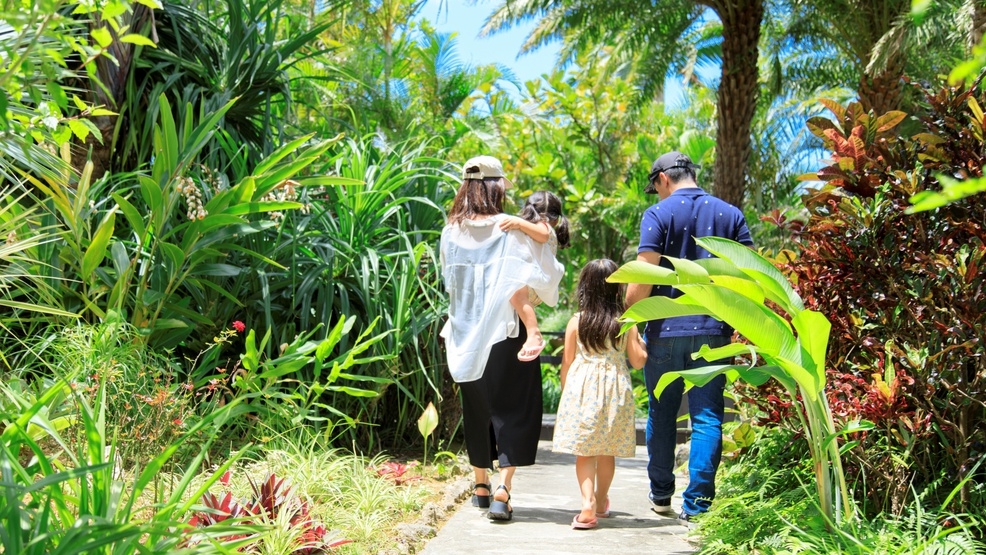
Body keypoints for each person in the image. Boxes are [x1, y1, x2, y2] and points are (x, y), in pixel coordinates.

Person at [625, 151, 753, 523]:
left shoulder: (659, 215)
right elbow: (746, 276)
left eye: (656, 188)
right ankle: (697, 506)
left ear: (664, 178)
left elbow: (643, 276)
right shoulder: (731, 214)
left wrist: (632, 321)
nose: (658, 194)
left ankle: (661, 495)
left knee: (662, 414)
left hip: (663, 330)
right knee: (708, 416)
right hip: (714, 331)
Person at [439, 155, 565, 521]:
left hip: (463, 335)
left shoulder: (450, 232)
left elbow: (450, 282)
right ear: (495, 187)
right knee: (512, 410)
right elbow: (530, 280)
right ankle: (501, 492)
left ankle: (479, 485)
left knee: (475, 410)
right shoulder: (510, 228)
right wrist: (535, 327)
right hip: (507, 335)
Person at [552, 259, 647, 530]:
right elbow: (638, 361)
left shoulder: (577, 321)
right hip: (615, 387)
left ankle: (587, 504)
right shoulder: (626, 321)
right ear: (616, 288)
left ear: (586, 287)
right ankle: (602, 498)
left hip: (582, 387)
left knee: (585, 451)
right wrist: (640, 340)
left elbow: (567, 362)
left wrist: (566, 393)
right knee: (607, 451)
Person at [498, 191, 571, 361]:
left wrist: (518, 222)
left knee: (515, 292)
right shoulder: (535, 229)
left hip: (534, 285)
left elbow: (543, 234)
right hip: (537, 288)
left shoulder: (544, 226)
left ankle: (534, 333)